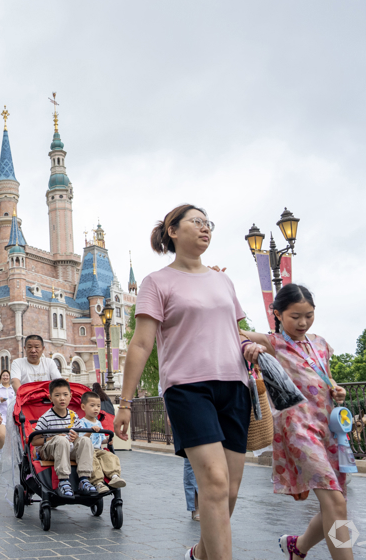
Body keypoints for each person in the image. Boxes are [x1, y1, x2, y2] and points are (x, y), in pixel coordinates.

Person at [114, 204, 252, 560]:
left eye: (209, 223)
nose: (206, 228)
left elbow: (237, 332)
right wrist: (126, 403)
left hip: (235, 386)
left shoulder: (223, 280)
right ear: (173, 231)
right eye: (197, 222)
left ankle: (199, 556)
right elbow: (142, 342)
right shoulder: (157, 282)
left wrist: (259, 344)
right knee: (215, 482)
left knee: (230, 490)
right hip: (188, 388)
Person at [240, 284, 353, 560]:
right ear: (277, 314)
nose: (303, 322)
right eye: (295, 316)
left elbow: (323, 377)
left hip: (329, 429)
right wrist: (248, 344)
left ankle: (297, 547)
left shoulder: (321, 343)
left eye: (309, 315)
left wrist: (337, 389)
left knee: (336, 504)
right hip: (298, 429)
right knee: (335, 500)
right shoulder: (273, 343)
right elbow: (233, 331)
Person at [32, 379, 97, 498]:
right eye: (57, 395)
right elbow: (34, 441)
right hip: (50, 451)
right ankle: (63, 480)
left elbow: (79, 437)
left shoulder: (73, 415)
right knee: (61, 440)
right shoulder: (45, 418)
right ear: (50, 398)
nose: (62, 398)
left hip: (69, 449)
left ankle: (84, 478)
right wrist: (51, 438)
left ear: (70, 396)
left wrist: (77, 437)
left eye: (65, 395)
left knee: (85, 440)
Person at [76, 391, 125, 495]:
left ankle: (114, 476)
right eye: (92, 406)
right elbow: (80, 440)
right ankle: (98, 482)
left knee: (109, 456)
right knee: (92, 460)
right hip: (87, 451)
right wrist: (90, 431)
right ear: (83, 407)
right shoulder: (81, 422)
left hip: (98, 449)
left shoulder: (98, 422)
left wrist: (107, 440)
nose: (96, 408)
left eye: (98, 406)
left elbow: (101, 438)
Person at [0, 369, 14, 461]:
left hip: (12, 415)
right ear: (0, 377)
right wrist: (0, 400)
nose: (5, 377)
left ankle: (10, 454)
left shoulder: (14, 388)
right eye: (3, 376)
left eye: (7, 376)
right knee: (1, 435)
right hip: (0, 415)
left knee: (11, 436)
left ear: (9, 377)